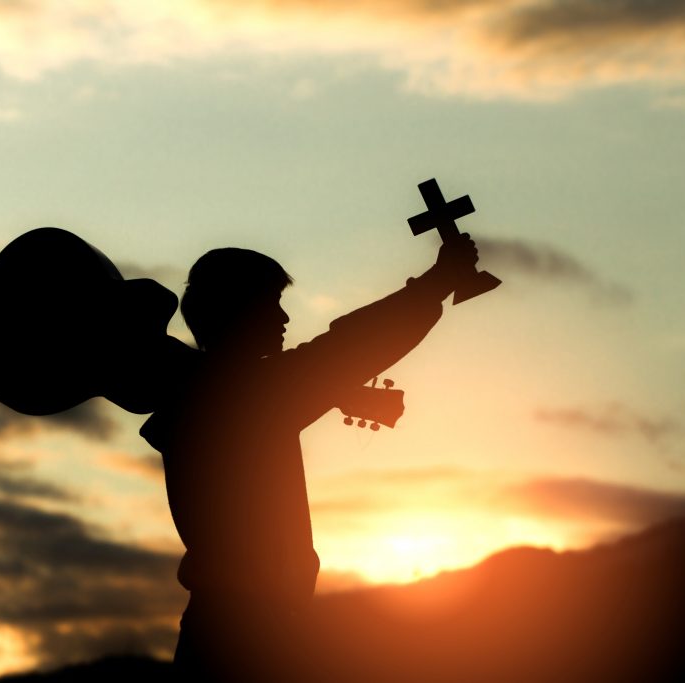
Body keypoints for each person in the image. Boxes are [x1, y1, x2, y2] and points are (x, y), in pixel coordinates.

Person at [139, 235, 479, 682]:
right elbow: (345, 349)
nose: (284, 317)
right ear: (239, 311)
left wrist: (325, 391)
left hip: (228, 629)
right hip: (248, 638)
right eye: (272, 303)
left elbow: (312, 370)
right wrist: (437, 282)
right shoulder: (250, 394)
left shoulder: (208, 393)